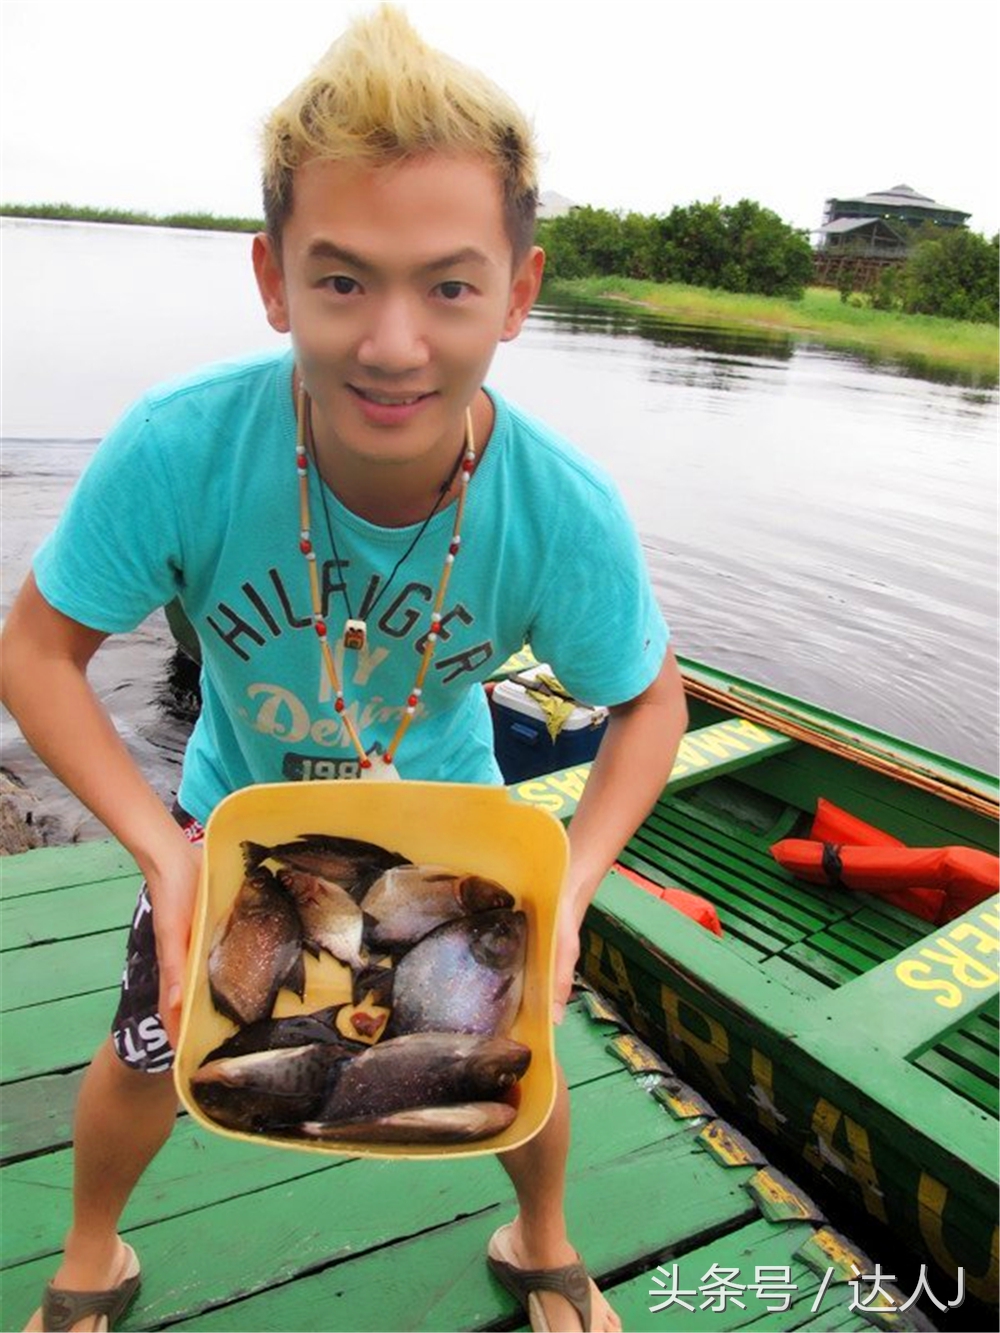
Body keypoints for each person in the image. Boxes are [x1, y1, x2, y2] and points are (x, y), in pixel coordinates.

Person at [1, 7, 687, 1331]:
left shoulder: (559, 508)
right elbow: (36, 652)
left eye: (447, 283)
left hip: (453, 823)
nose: (390, 342)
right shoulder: (181, 450)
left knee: (511, 1058)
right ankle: (92, 1253)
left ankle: (541, 1235)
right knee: (150, 1048)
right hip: (236, 822)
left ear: (518, 293)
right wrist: (159, 844)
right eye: (341, 279)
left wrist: (579, 878)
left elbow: (649, 702)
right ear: (272, 280)